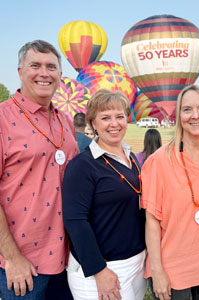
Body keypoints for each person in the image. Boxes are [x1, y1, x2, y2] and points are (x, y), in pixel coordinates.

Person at [0, 40, 78, 299]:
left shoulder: (65, 120)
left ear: (60, 76)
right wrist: (12, 258)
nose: (44, 73)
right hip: (21, 266)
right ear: (20, 72)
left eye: (51, 67)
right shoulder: (3, 118)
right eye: (35, 65)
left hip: (68, 262)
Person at [141, 84, 199, 300]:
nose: (195, 116)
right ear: (178, 116)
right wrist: (158, 271)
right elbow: (151, 222)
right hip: (172, 267)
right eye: (187, 109)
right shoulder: (159, 161)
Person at [62, 89, 147, 300]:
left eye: (120, 116)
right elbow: (75, 221)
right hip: (102, 270)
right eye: (105, 118)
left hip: (135, 263)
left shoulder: (132, 158)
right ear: (93, 123)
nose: (114, 123)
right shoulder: (83, 165)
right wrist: (99, 271)